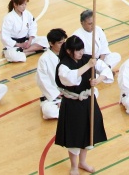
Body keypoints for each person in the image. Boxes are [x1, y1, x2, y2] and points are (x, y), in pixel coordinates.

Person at [55, 35, 108, 175]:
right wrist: (88, 66)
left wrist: (98, 79)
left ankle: (82, 162)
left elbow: (105, 69)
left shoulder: (87, 58)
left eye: (82, 49)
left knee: (87, 133)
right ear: (69, 51)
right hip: (73, 104)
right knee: (75, 135)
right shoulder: (64, 65)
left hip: (88, 101)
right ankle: (73, 166)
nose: (81, 53)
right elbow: (71, 79)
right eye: (77, 50)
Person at [73, 10, 119, 80]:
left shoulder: (98, 29)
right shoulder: (77, 36)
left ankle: (104, 72)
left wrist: (101, 61)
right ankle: (105, 73)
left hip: (100, 59)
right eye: (90, 24)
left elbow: (104, 46)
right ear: (82, 23)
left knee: (116, 56)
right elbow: (79, 57)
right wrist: (93, 64)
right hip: (88, 63)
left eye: (94, 23)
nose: (93, 26)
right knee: (90, 77)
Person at [37, 28, 67, 119]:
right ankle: (66, 110)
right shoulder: (44, 59)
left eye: (64, 42)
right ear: (51, 43)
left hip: (68, 93)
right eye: (60, 43)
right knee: (49, 111)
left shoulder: (68, 54)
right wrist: (56, 95)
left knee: (93, 93)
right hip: (53, 96)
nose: (63, 45)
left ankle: (66, 109)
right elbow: (42, 80)